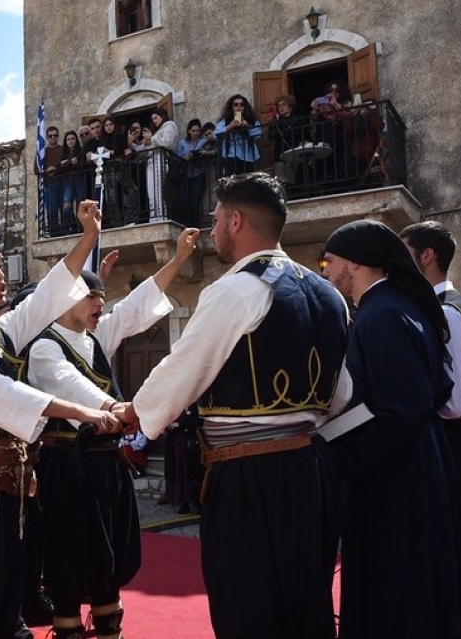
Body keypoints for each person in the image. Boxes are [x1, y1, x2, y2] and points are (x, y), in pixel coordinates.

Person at [119, 173, 349, 639]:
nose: (214, 228)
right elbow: (342, 393)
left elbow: (184, 367)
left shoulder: (236, 288)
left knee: (248, 607)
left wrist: (133, 414)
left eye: (218, 218)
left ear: (237, 220)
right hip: (313, 469)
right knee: (308, 606)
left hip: (249, 478)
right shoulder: (330, 295)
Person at [0, 200, 120, 639]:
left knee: (9, 586)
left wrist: (87, 235)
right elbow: (2, 393)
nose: (0, 277)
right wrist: (83, 410)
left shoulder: (0, 330)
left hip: (12, 481)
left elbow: (51, 291)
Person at [25, 230, 199, 639]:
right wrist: (116, 409)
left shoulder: (94, 338)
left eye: (102, 297)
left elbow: (135, 308)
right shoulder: (44, 347)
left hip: (106, 467)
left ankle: (108, 629)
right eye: (91, 296)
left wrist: (176, 261)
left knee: (110, 558)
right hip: (68, 468)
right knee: (69, 557)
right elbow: (69, 385)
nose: (101, 304)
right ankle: (67, 628)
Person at [321, 219, 461, 639]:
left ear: (354, 263)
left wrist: (336, 456)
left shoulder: (383, 315)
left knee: (397, 595)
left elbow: (400, 410)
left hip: (395, 481)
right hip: (415, 466)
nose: (325, 270)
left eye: (329, 261)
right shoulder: (395, 307)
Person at [400, 219, 461, 636]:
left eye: (405, 254)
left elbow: (455, 403)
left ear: (427, 256)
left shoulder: (447, 311)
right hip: (458, 444)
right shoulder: (447, 307)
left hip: (456, 445)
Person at [139, 107, 179, 220]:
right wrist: (146, 143)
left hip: (161, 161)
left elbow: (167, 142)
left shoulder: (169, 126)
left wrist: (151, 138)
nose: (154, 121)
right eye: (152, 119)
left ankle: (161, 216)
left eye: (156, 118)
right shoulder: (158, 131)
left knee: (158, 192)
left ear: (163, 116)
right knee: (152, 194)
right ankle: (154, 218)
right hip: (152, 162)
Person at [214, 94, 262, 176]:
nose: (239, 107)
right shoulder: (225, 120)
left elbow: (258, 134)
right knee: (234, 182)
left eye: (241, 105)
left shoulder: (252, 120)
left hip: (248, 155)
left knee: (248, 181)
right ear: (232, 107)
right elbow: (215, 134)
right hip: (231, 155)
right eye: (236, 104)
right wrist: (230, 126)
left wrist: (248, 126)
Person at [176, 118, 210, 226]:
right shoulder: (182, 143)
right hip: (185, 175)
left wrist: (200, 154)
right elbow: (178, 157)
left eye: (198, 131)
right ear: (188, 131)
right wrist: (186, 157)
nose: (195, 133)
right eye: (193, 130)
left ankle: (195, 225)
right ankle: (186, 225)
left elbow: (208, 152)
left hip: (198, 173)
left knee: (195, 200)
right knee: (185, 200)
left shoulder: (203, 142)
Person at [37, 125, 65, 237]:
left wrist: (57, 167)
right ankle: (54, 233)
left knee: (65, 207)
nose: (53, 138)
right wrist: (46, 170)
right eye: (50, 136)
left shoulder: (63, 149)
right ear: (47, 138)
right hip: (50, 183)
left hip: (63, 181)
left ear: (58, 136)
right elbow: (36, 169)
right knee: (52, 210)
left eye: (55, 135)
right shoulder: (43, 153)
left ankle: (65, 231)